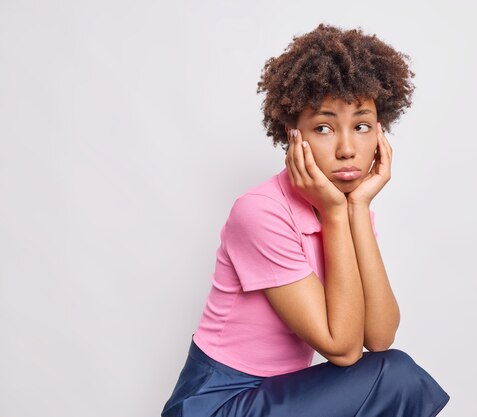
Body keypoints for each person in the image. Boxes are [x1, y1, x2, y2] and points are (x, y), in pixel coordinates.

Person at [162, 23, 450, 417]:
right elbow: (344, 348)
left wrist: (357, 209)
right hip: (215, 403)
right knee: (397, 377)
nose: (348, 148)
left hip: (281, 395)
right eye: (324, 128)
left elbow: (380, 337)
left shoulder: (346, 206)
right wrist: (336, 213)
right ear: (293, 133)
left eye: (362, 126)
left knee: (393, 368)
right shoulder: (260, 212)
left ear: (381, 133)